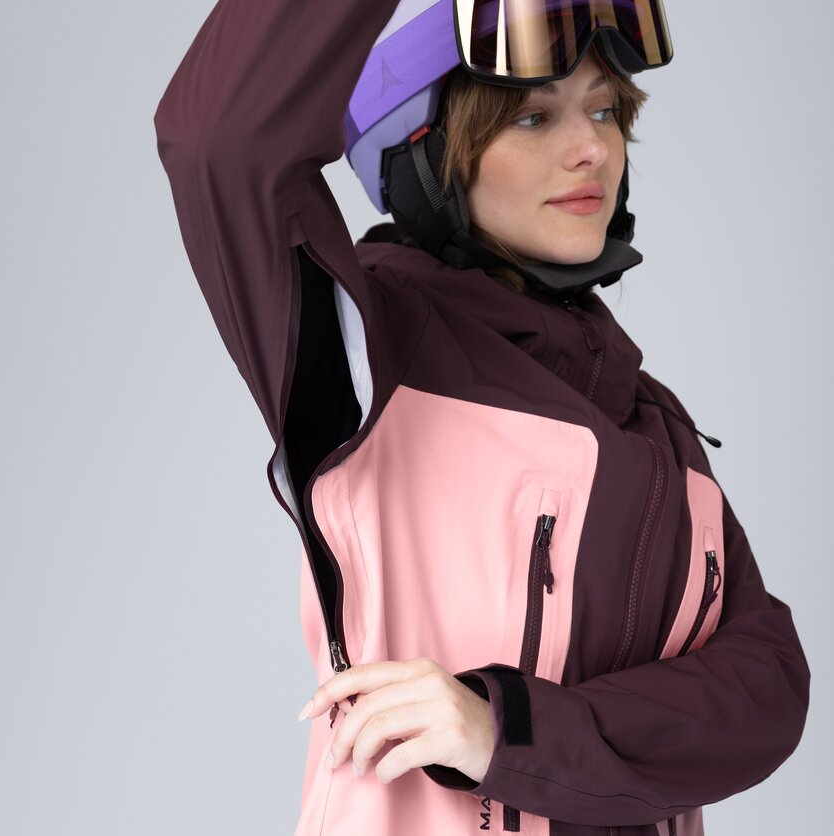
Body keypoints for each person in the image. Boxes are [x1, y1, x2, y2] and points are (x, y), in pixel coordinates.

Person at [153, 1, 810, 834]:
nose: (592, 148)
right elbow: (220, 142)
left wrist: (507, 729)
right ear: (428, 157)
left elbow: (768, 686)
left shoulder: (657, 427)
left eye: (604, 110)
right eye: (533, 118)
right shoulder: (367, 356)